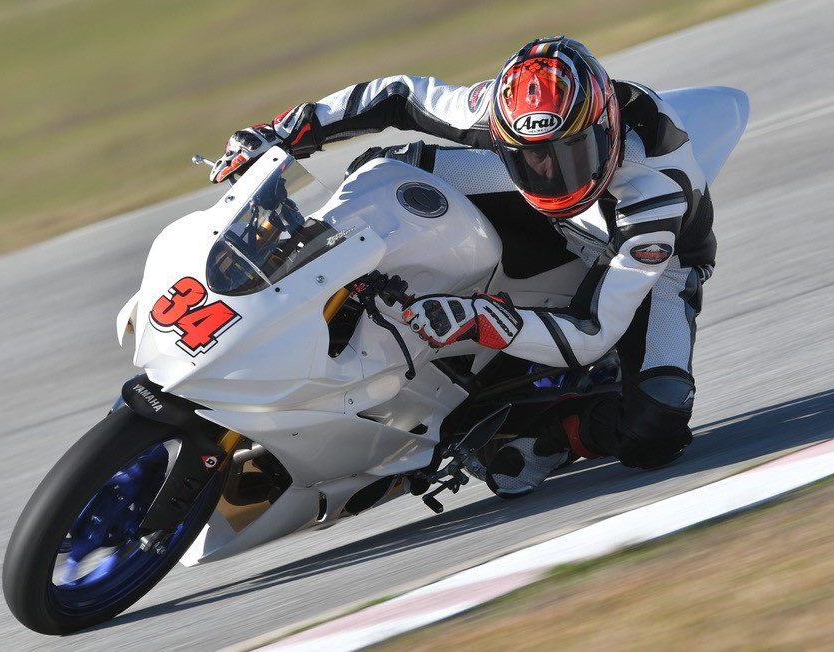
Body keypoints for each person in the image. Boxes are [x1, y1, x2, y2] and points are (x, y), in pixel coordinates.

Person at [212, 36, 717, 498]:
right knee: (387, 169)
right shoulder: (493, 113)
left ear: (606, 131)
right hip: (547, 205)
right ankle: (289, 276)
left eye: (572, 155)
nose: (552, 175)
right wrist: (281, 134)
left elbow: (593, 329)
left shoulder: (655, 194)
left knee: (657, 422)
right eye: (532, 158)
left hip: (655, 261)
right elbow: (399, 94)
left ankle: (543, 434)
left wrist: (481, 318)